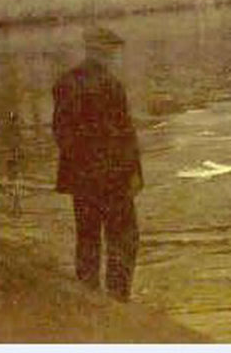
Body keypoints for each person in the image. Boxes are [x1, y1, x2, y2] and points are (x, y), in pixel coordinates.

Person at [52, 26, 143, 302]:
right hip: (113, 175)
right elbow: (125, 135)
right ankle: (118, 297)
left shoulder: (65, 83)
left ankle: (88, 293)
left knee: (87, 235)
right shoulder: (111, 85)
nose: (115, 57)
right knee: (123, 236)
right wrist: (134, 174)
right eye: (113, 52)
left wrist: (78, 163)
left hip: (81, 176)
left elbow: (60, 131)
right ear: (105, 53)